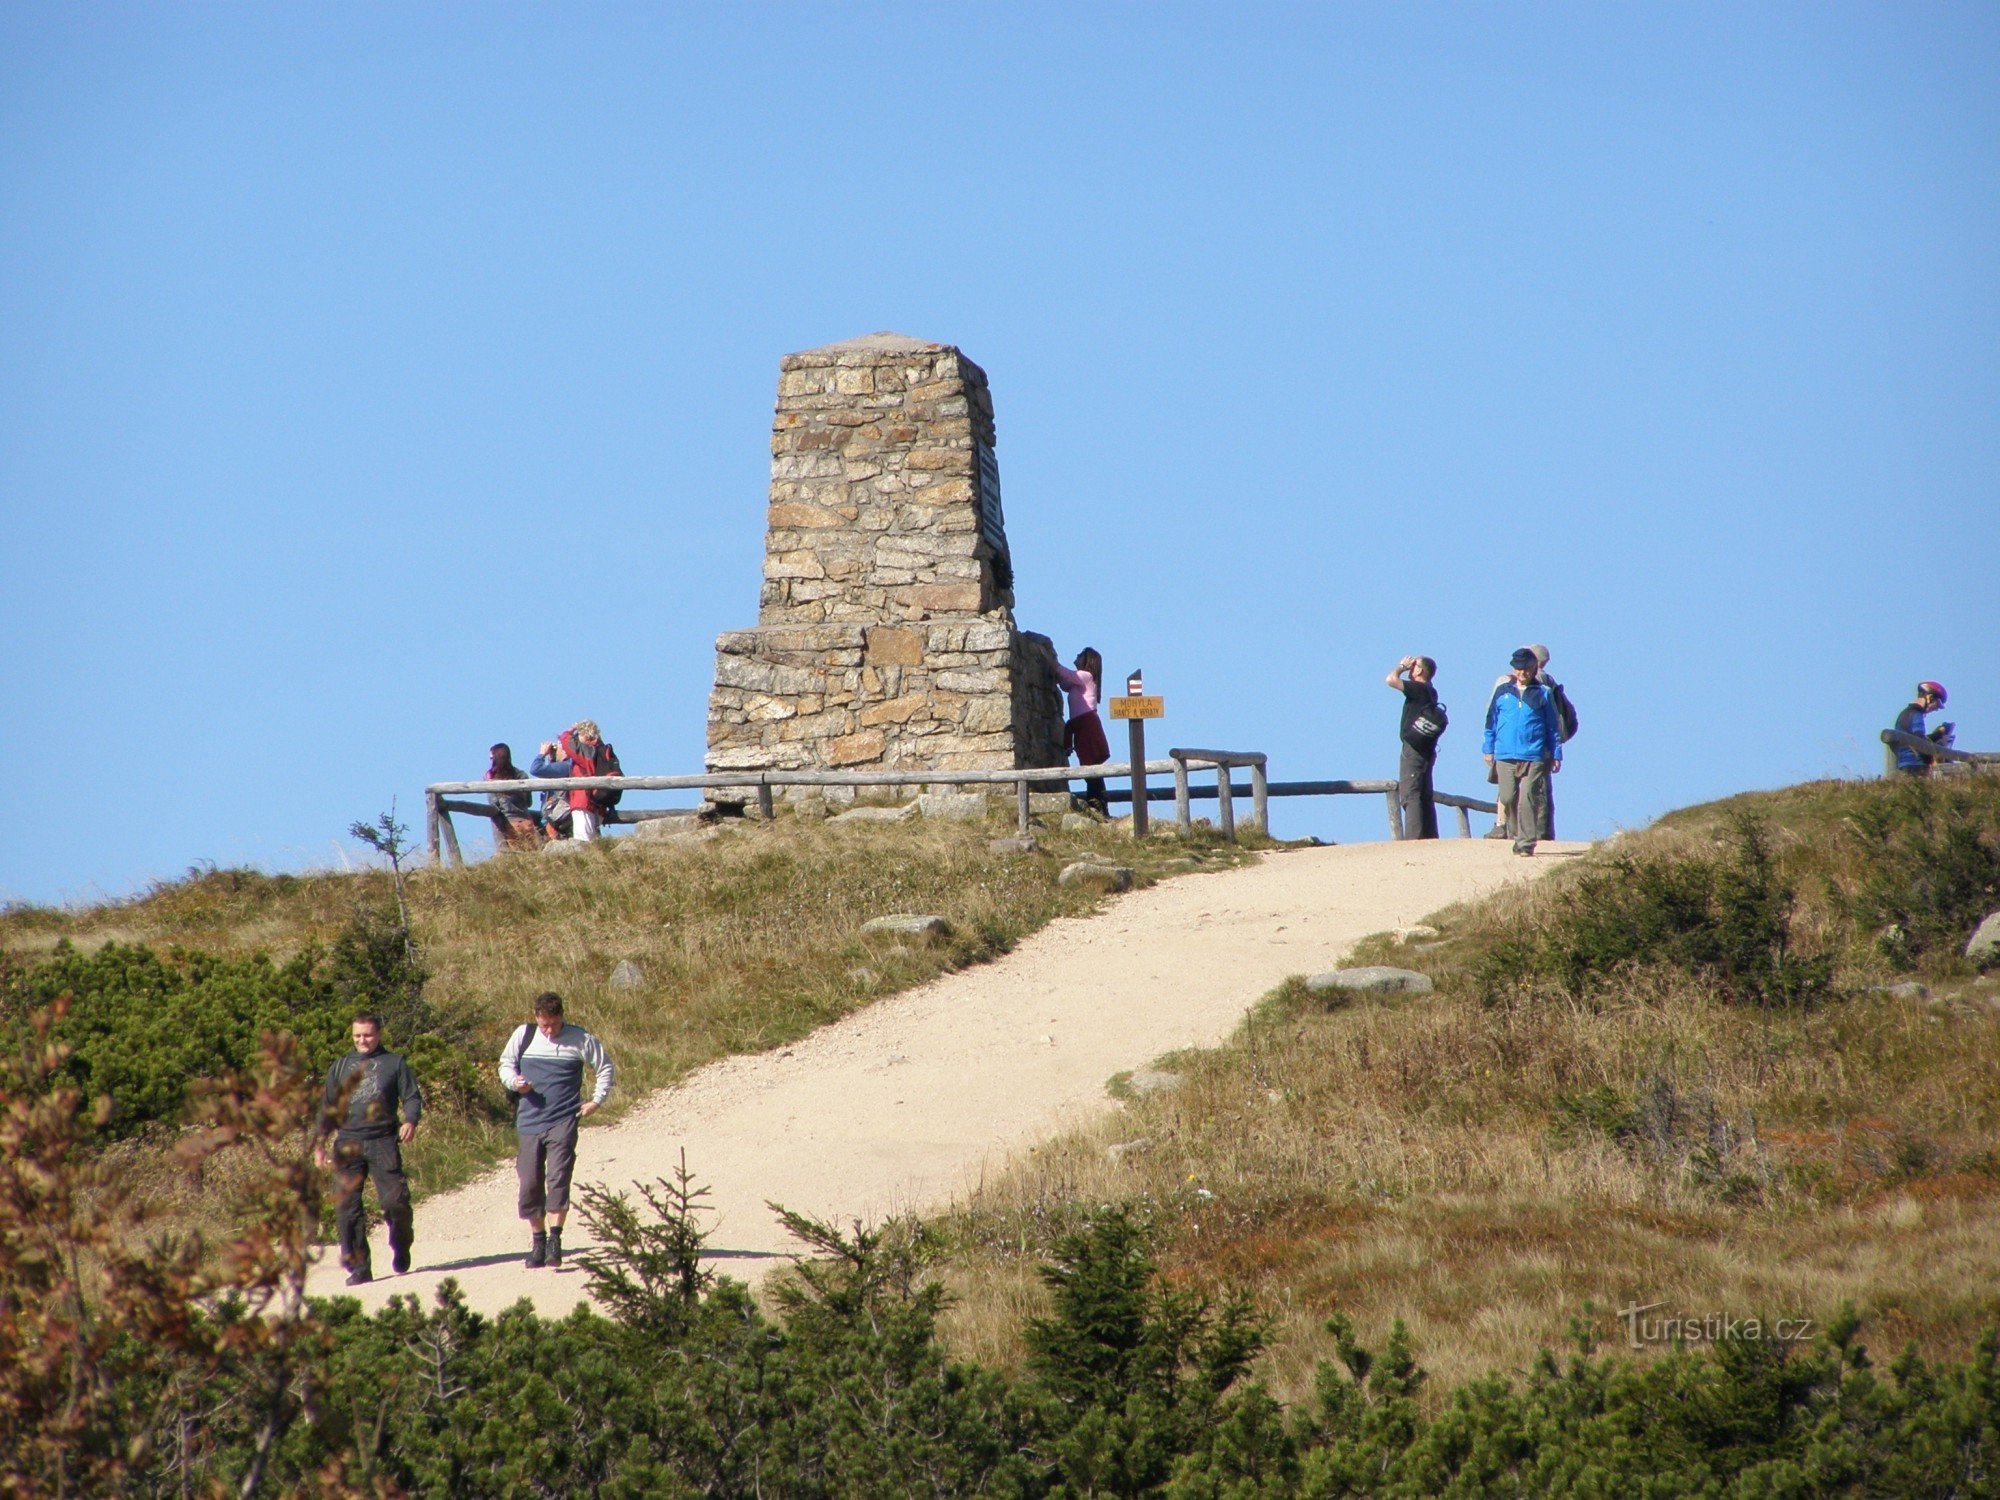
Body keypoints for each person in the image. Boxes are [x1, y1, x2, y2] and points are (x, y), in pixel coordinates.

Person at [499, 991, 615, 1269]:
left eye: (552, 1024)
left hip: (564, 1119)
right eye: (543, 1025)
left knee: (559, 1177)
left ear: (561, 1016)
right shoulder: (524, 1035)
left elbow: (605, 1067)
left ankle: (555, 1240)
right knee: (529, 1182)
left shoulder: (580, 1039)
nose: (548, 1030)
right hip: (528, 1121)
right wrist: (515, 1082)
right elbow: (505, 1065)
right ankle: (537, 1240)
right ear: (536, 1018)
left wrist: (596, 1101)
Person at [315, 1012, 423, 1285]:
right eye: (357, 1036)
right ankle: (359, 1267)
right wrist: (319, 1146)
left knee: (395, 1202)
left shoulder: (394, 1063)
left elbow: (411, 1096)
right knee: (347, 1208)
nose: (362, 1040)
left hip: (383, 1140)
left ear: (379, 1035)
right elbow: (326, 1109)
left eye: (368, 1035)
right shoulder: (339, 1067)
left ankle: (401, 1244)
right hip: (348, 1143)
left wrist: (410, 1120)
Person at [1481, 643, 1576, 838]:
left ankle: (1520, 836)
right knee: (1523, 795)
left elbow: (1550, 723)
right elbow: (1493, 717)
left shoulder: (1541, 687)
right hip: (1515, 749)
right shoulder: (1545, 682)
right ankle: (1535, 834)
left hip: (1533, 749)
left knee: (1526, 796)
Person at [532, 720, 623, 842]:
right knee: (593, 842)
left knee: (582, 842)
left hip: (584, 802)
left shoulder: (587, 752)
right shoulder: (603, 751)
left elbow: (565, 740)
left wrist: (571, 729)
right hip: (599, 805)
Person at [1384, 655, 1445, 839]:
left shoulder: (1418, 688)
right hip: (1427, 750)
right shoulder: (1431, 692)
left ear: (1420, 670)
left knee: (1410, 793)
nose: (1411, 668)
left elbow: (1390, 680)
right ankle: (1429, 836)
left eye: (1414, 665)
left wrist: (1401, 667)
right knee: (1424, 794)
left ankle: (1414, 839)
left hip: (1413, 750)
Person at [1054, 647, 1111, 816]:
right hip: (1081, 726)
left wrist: (1049, 660)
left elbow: (1066, 674)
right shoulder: (1078, 682)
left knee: (1091, 767)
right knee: (1090, 766)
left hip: (1086, 725)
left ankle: (1097, 805)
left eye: (1079, 655)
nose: (1076, 657)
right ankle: (1097, 805)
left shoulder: (1086, 676)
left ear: (1087, 661)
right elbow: (1064, 682)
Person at [486, 743, 542, 850]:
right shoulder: (521, 775)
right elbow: (529, 802)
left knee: (518, 859)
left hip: (510, 823)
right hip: (527, 821)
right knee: (534, 856)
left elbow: (494, 803)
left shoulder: (491, 779)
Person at [1891, 682, 1953, 777]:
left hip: (1904, 764)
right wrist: (1940, 734)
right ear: (1930, 697)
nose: (1936, 709)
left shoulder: (1905, 714)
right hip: (1916, 765)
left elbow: (1913, 739)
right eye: (1938, 704)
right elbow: (1920, 742)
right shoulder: (1916, 715)